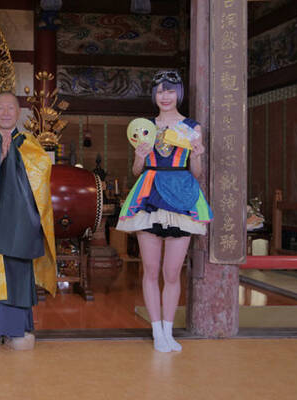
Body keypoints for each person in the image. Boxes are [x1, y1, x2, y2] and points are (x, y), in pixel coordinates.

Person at [116, 70, 213, 352]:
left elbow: (196, 173)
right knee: (150, 269)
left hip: (182, 193)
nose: (165, 96)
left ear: (178, 93)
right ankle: (156, 331)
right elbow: (137, 170)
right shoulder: (144, 126)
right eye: (160, 91)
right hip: (149, 193)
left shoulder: (192, 127)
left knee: (172, 273)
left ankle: (168, 332)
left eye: (170, 90)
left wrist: (197, 156)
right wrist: (139, 156)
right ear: (154, 95)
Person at [0, 92, 56, 351]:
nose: (5, 113)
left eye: (10, 108)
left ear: (18, 113)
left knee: (16, 274)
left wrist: (14, 159)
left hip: (19, 222)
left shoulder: (31, 146)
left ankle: (17, 331)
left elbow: (41, 179)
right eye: (0, 108)